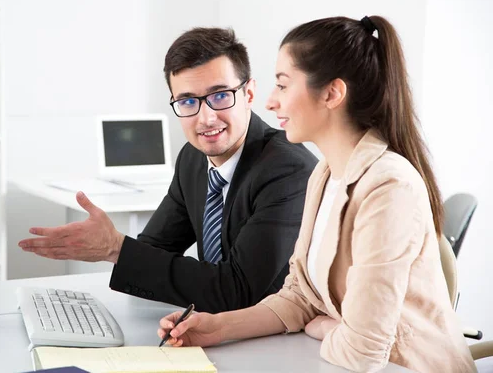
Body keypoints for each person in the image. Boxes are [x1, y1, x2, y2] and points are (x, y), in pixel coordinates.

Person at [157, 17, 476, 373]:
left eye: (282, 85)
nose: (271, 102)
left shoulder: (389, 188)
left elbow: (361, 352)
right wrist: (218, 327)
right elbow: (299, 297)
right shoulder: (325, 175)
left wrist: (323, 326)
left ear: (332, 93)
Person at [18, 27, 318, 313]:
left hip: (283, 339)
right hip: (218, 327)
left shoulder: (287, 170)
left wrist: (116, 248)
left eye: (220, 96)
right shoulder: (193, 158)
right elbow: (155, 247)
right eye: (188, 101)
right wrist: (110, 247)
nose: (206, 118)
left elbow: (237, 290)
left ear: (249, 94)